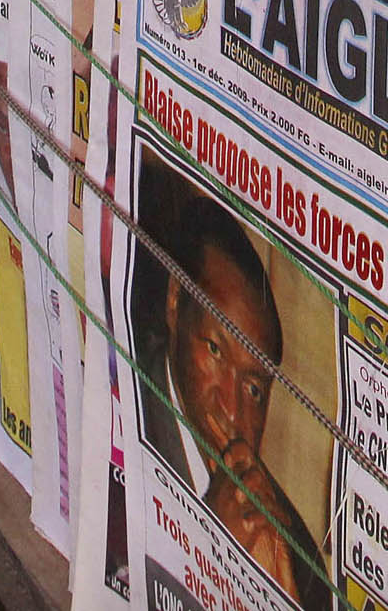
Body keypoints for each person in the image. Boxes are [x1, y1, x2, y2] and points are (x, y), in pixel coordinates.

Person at [135, 175, 326, 611]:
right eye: (216, 350)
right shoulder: (119, 393)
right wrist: (205, 553)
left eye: (255, 389)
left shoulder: (299, 556)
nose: (233, 411)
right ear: (175, 301)